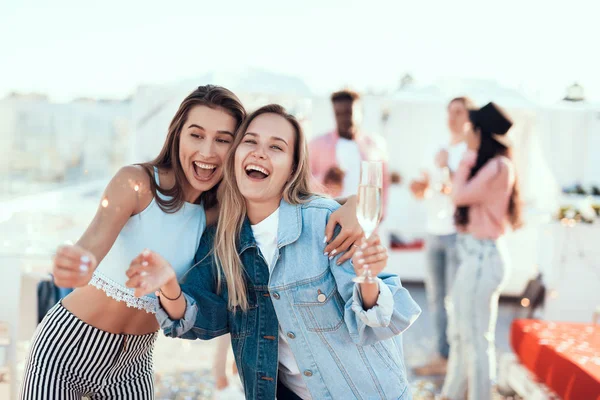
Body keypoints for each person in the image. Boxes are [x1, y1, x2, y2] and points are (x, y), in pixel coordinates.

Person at [20, 87, 359, 399]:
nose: (207, 152)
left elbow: (304, 205)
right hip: (66, 350)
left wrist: (356, 204)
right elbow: (91, 246)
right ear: (177, 134)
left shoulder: (219, 214)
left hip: (133, 364)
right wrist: (75, 263)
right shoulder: (137, 184)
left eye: (223, 140)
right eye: (196, 135)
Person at [126, 104, 422, 400]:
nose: (259, 153)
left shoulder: (324, 221)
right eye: (250, 142)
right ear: (235, 158)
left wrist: (368, 279)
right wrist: (168, 287)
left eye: (276, 147)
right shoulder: (222, 242)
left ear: (293, 168)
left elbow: (377, 323)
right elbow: (203, 318)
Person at [441, 102, 522, 400]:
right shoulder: (493, 164)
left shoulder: (498, 166)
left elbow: (460, 195)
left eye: (469, 128)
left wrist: (466, 157)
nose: (465, 133)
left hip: (483, 258)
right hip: (475, 257)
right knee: (462, 336)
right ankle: (450, 395)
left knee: (476, 339)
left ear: (479, 132)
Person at [409, 97, 476, 376]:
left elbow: (461, 194)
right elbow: (422, 189)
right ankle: (442, 355)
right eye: (449, 111)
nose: (452, 117)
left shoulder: (470, 153)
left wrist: (447, 168)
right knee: (435, 298)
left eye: (458, 112)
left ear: (468, 117)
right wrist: (419, 187)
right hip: (433, 231)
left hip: (457, 234)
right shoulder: (435, 149)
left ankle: (460, 359)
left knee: (456, 299)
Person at [309, 89, 390, 215]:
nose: (343, 119)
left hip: (364, 218)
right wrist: (324, 179)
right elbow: (303, 182)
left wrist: (381, 213)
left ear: (360, 112)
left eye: (348, 112)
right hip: (329, 218)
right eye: (338, 113)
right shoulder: (317, 144)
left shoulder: (375, 144)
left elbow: (383, 182)